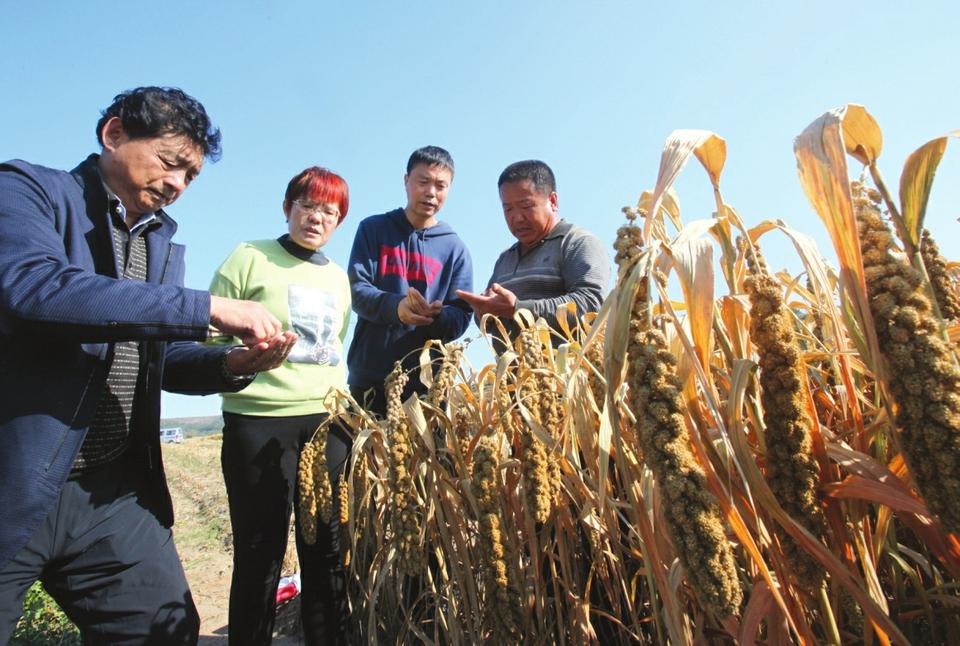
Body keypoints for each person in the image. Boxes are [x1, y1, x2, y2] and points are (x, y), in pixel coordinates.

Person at [0, 86, 296, 644]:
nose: (178, 185)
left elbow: (153, 355)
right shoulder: (27, 191)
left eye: (191, 176)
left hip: (109, 494)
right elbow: (38, 291)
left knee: (166, 631)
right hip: (17, 479)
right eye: (170, 162)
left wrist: (233, 363)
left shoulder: (159, 240)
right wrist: (206, 307)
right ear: (114, 135)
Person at [208, 167, 353, 644]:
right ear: (288, 207)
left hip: (326, 424)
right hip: (258, 419)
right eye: (308, 205)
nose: (317, 218)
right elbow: (212, 332)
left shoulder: (336, 277)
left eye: (329, 212)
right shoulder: (250, 257)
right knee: (259, 548)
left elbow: (337, 342)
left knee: (326, 547)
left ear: (338, 222)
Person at [347, 146, 473, 415]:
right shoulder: (373, 229)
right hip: (369, 380)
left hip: (427, 387)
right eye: (423, 181)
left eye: (441, 185)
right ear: (406, 181)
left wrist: (437, 317)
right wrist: (397, 308)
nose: (431, 192)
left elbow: (462, 314)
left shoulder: (455, 248)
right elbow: (357, 290)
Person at [457, 160, 610, 351]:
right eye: (508, 209)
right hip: (515, 378)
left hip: (565, 376)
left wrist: (518, 309)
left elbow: (591, 306)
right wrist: (483, 313)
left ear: (553, 201)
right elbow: (491, 321)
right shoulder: (506, 258)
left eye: (526, 206)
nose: (517, 217)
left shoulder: (577, 243)